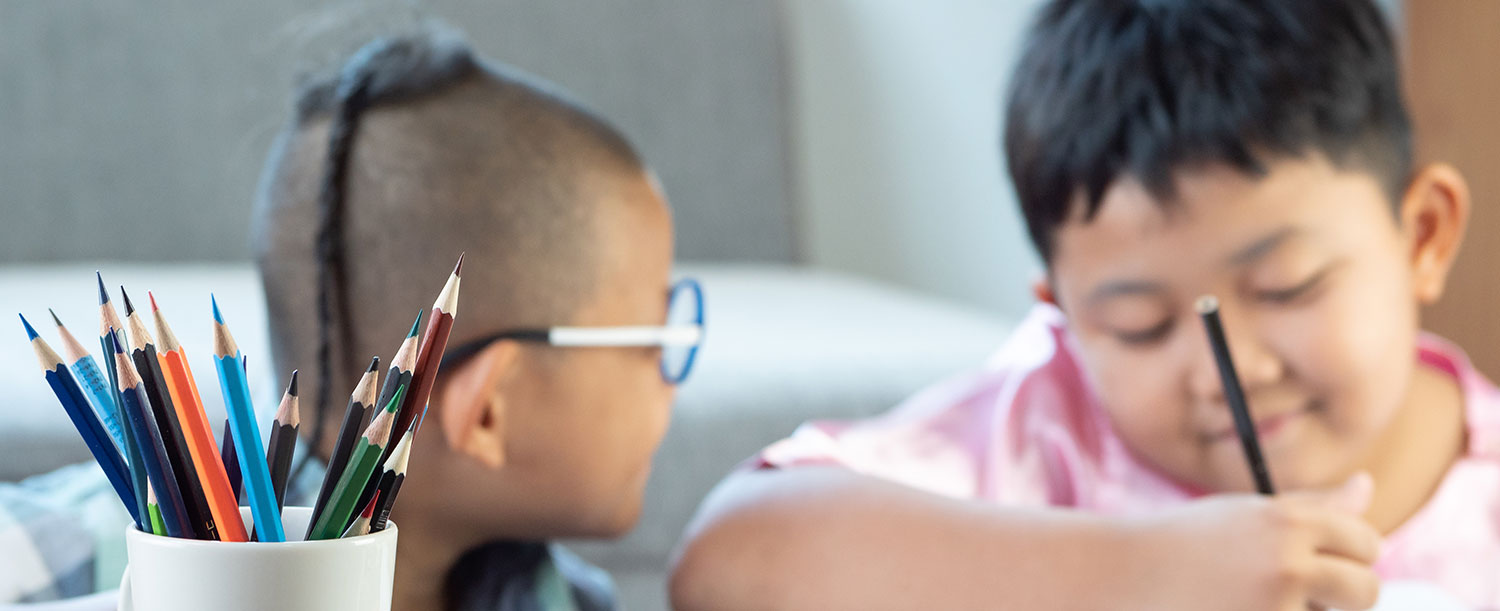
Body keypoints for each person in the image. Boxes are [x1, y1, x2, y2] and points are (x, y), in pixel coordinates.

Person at [669, 1, 1492, 609]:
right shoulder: (1044, 431)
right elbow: (730, 558)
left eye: (1288, 287)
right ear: (1063, 311)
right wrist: (1142, 572)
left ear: (1423, 235)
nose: (1226, 369)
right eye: (1140, 325)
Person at [254, 27, 700, 611]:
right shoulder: (110, 573)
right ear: (488, 409)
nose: (672, 381)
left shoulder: (570, 600)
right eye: (657, 338)